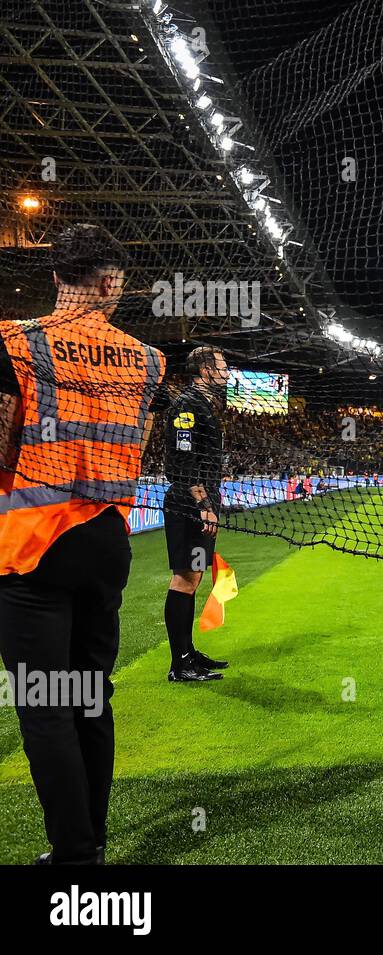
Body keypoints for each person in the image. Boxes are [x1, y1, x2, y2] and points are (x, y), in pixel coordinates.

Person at [0, 223, 165, 864]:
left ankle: (74, 855)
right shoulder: (148, 360)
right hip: (106, 539)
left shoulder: (16, 341)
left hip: (32, 541)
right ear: (111, 283)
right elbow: (138, 454)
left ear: (56, 279)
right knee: (90, 695)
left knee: (45, 705)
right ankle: (90, 840)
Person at [161, 346, 229, 683]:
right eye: (223, 366)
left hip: (203, 504)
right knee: (184, 578)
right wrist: (203, 505)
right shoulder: (187, 405)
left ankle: (188, 652)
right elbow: (181, 460)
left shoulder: (206, 404)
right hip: (188, 505)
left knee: (195, 577)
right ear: (205, 369)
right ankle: (180, 663)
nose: (227, 373)